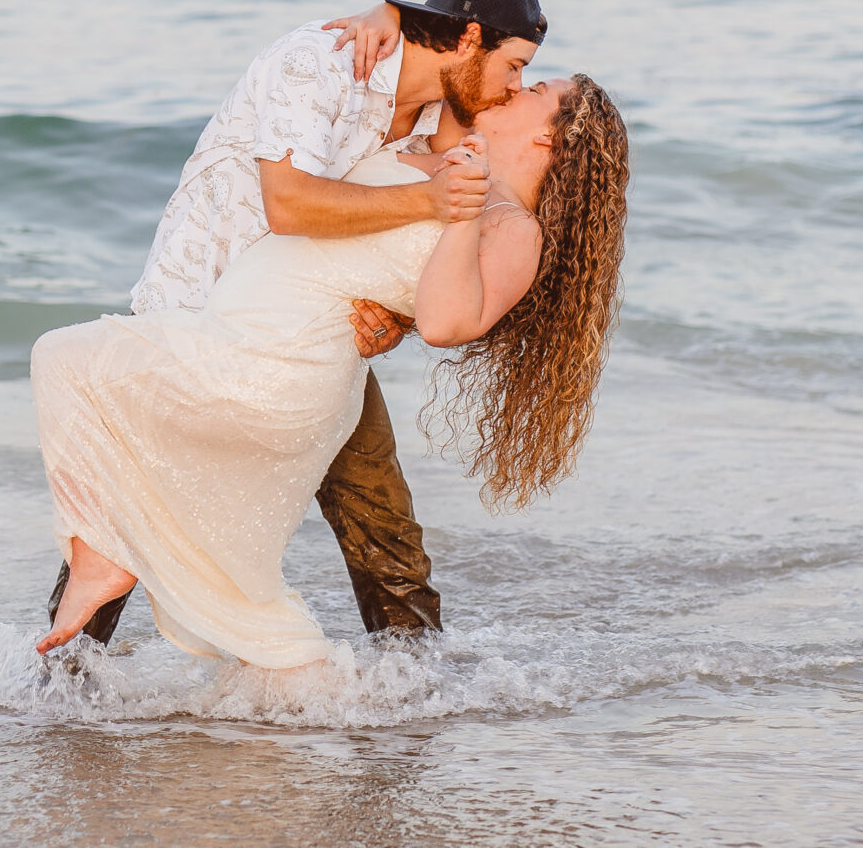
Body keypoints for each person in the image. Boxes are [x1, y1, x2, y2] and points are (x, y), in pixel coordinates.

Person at [33, 69, 631, 664]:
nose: (515, 85)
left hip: (285, 358)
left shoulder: (506, 219)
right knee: (168, 484)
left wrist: (435, 257)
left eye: (533, 89)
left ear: (551, 139)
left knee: (78, 376)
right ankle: (349, 682)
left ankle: (408, 680)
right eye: (517, 69)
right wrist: (388, 20)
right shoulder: (436, 139)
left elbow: (447, 318)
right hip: (247, 326)